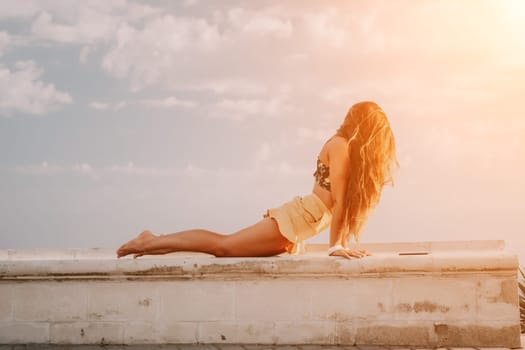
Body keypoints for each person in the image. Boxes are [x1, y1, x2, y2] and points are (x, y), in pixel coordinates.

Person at [116, 101, 398, 259]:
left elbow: (343, 206)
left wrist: (345, 245)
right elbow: (337, 202)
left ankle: (154, 243)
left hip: (299, 226)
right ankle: (150, 241)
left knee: (224, 247)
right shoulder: (339, 145)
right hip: (295, 220)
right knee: (223, 246)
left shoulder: (343, 148)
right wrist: (336, 247)